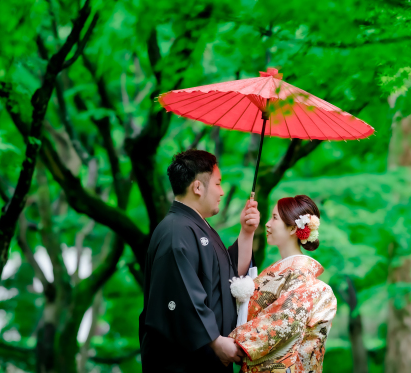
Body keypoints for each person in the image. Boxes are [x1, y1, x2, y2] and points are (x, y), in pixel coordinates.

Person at [139, 149, 260, 372]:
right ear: (197, 187)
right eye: (218, 184)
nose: (222, 192)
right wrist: (216, 340)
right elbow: (182, 295)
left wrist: (246, 232)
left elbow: (229, 278)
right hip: (183, 364)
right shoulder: (176, 231)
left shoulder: (196, 227)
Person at [229, 195, 337, 373]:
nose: (267, 224)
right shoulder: (284, 270)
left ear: (293, 228)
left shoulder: (301, 273)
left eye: (274, 218)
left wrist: (234, 342)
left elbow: (285, 321)